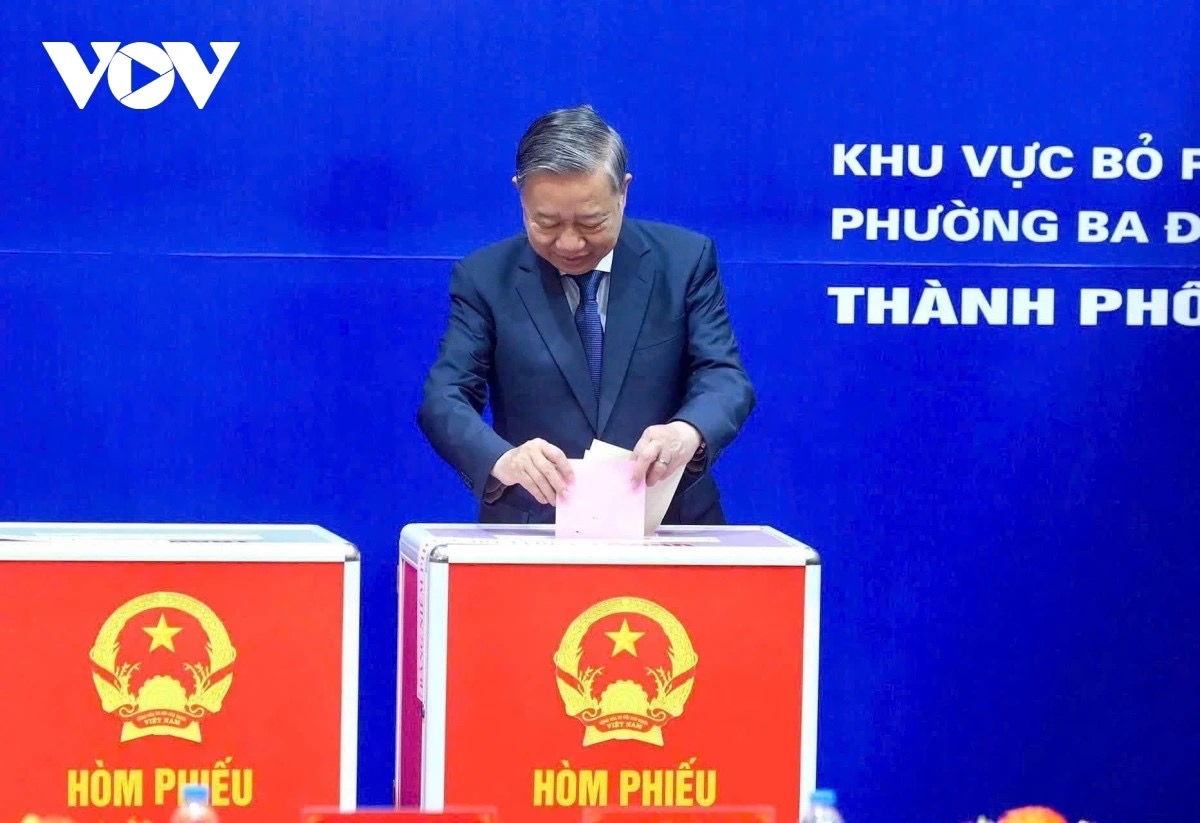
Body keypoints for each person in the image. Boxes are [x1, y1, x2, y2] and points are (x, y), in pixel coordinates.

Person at [418, 104, 754, 525]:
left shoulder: (684, 261)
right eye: (546, 223)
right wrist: (504, 459)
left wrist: (687, 432)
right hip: (532, 527)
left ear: (623, 191)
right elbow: (444, 397)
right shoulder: (484, 278)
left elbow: (723, 376)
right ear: (520, 193)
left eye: (592, 223)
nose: (570, 243)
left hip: (671, 521)